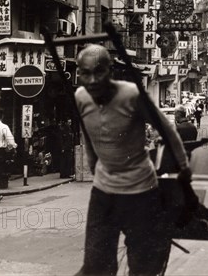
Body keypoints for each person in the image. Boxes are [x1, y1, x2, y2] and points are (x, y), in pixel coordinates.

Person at [74, 44, 190, 276]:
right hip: (103, 194)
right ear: (79, 74)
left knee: (143, 266)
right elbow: (88, 133)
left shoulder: (132, 95)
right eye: (86, 73)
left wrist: (184, 166)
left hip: (140, 192)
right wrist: (92, 164)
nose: (93, 80)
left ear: (111, 72)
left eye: (99, 71)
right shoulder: (80, 97)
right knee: (96, 265)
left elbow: (167, 131)